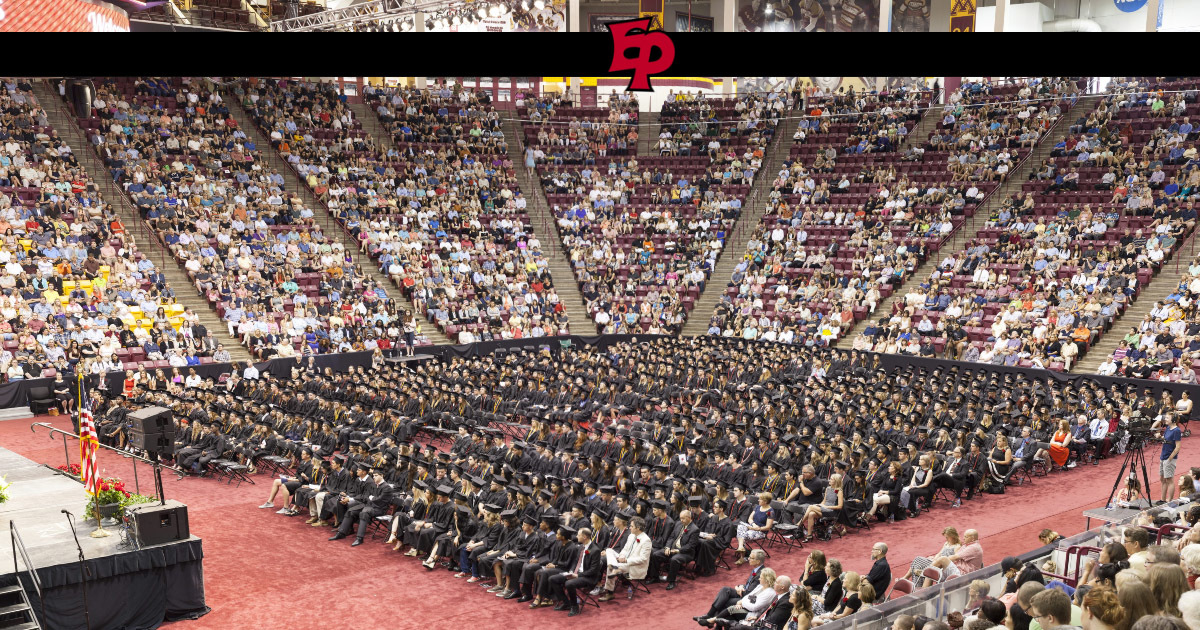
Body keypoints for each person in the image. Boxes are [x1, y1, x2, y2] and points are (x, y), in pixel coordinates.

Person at [694, 548, 770, 624]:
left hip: (749, 599)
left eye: (751, 558)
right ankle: (710, 616)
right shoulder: (756, 570)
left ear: (758, 561)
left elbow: (750, 593)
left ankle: (713, 621)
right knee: (725, 590)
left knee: (725, 601)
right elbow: (749, 585)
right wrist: (739, 586)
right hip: (744, 593)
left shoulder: (761, 574)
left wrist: (739, 589)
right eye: (749, 556)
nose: (748, 559)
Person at [695, 568, 778, 627]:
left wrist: (742, 603)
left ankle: (712, 620)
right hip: (746, 607)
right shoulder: (760, 586)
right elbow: (749, 597)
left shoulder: (770, 593)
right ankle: (715, 624)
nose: (759, 578)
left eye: (761, 577)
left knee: (731, 608)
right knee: (727, 612)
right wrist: (740, 602)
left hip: (751, 615)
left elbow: (754, 607)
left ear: (767, 579)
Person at [549, 526, 603, 617]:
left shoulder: (595, 550)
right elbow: (575, 561)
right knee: (552, 579)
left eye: (578, 535)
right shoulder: (581, 547)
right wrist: (571, 571)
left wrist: (578, 575)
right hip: (576, 573)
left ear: (585, 537)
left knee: (569, 583)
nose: (576, 537)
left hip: (588, 577)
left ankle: (575, 606)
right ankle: (566, 603)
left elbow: (593, 570)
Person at [599, 515, 652, 601]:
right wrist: (622, 556)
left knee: (610, 569)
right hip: (624, 562)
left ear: (638, 528)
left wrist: (626, 560)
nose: (629, 527)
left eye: (631, 526)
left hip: (635, 566)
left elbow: (643, 559)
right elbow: (625, 549)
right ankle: (613, 566)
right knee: (609, 550)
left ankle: (610, 593)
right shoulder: (631, 536)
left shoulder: (646, 540)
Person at [733, 492, 775, 565]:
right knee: (740, 526)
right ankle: (741, 547)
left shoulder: (770, 512)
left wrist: (756, 529)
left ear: (765, 501)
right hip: (752, 526)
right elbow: (750, 518)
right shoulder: (757, 507)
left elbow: (768, 527)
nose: (758, 500)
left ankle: (742, 557)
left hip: (760, 531)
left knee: (743, 535)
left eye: (760, 499)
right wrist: (753, 525)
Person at [1153, 413, 1182, 504]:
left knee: (1169, 480)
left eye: (1167, 418)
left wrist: (1170, 458)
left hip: (1169, 458)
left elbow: (1178, 447)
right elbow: (1165, 439)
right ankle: (1163, 499)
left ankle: (1169, 500)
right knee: (1162, 479)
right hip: (1163, 455)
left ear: (1173, 420)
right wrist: (1159, 436)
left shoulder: (1176, 430)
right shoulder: (1168, 428)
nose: (1165, 419)